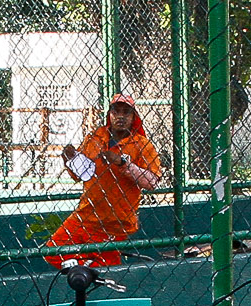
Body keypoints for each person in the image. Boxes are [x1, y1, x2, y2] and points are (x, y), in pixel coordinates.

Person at [45, 94, 164, 268]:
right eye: (116, 112)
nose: (121, 117)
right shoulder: (94, 138)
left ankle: (90, 270)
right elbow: (80, 174)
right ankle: (86, 267)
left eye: (126, 112)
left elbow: (152, 182)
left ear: (133, 117)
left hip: (115, 222)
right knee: (52, 251)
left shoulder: (142, 144)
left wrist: (123, 163)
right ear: (109, 114)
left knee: (109, 269)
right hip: (85, 215)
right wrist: (69, 158)